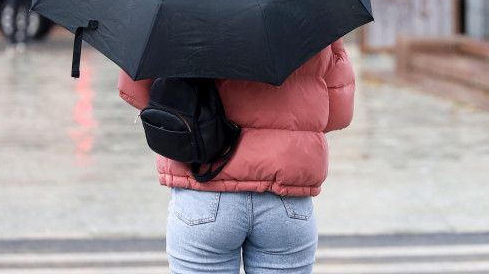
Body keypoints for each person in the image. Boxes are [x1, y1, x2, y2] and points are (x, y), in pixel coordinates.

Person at [118, 39, 355, 274]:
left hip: (204, 187)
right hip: (285, 196)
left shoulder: (177, 8)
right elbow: (338, 114)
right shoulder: (313, 8)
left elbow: (135, 91)